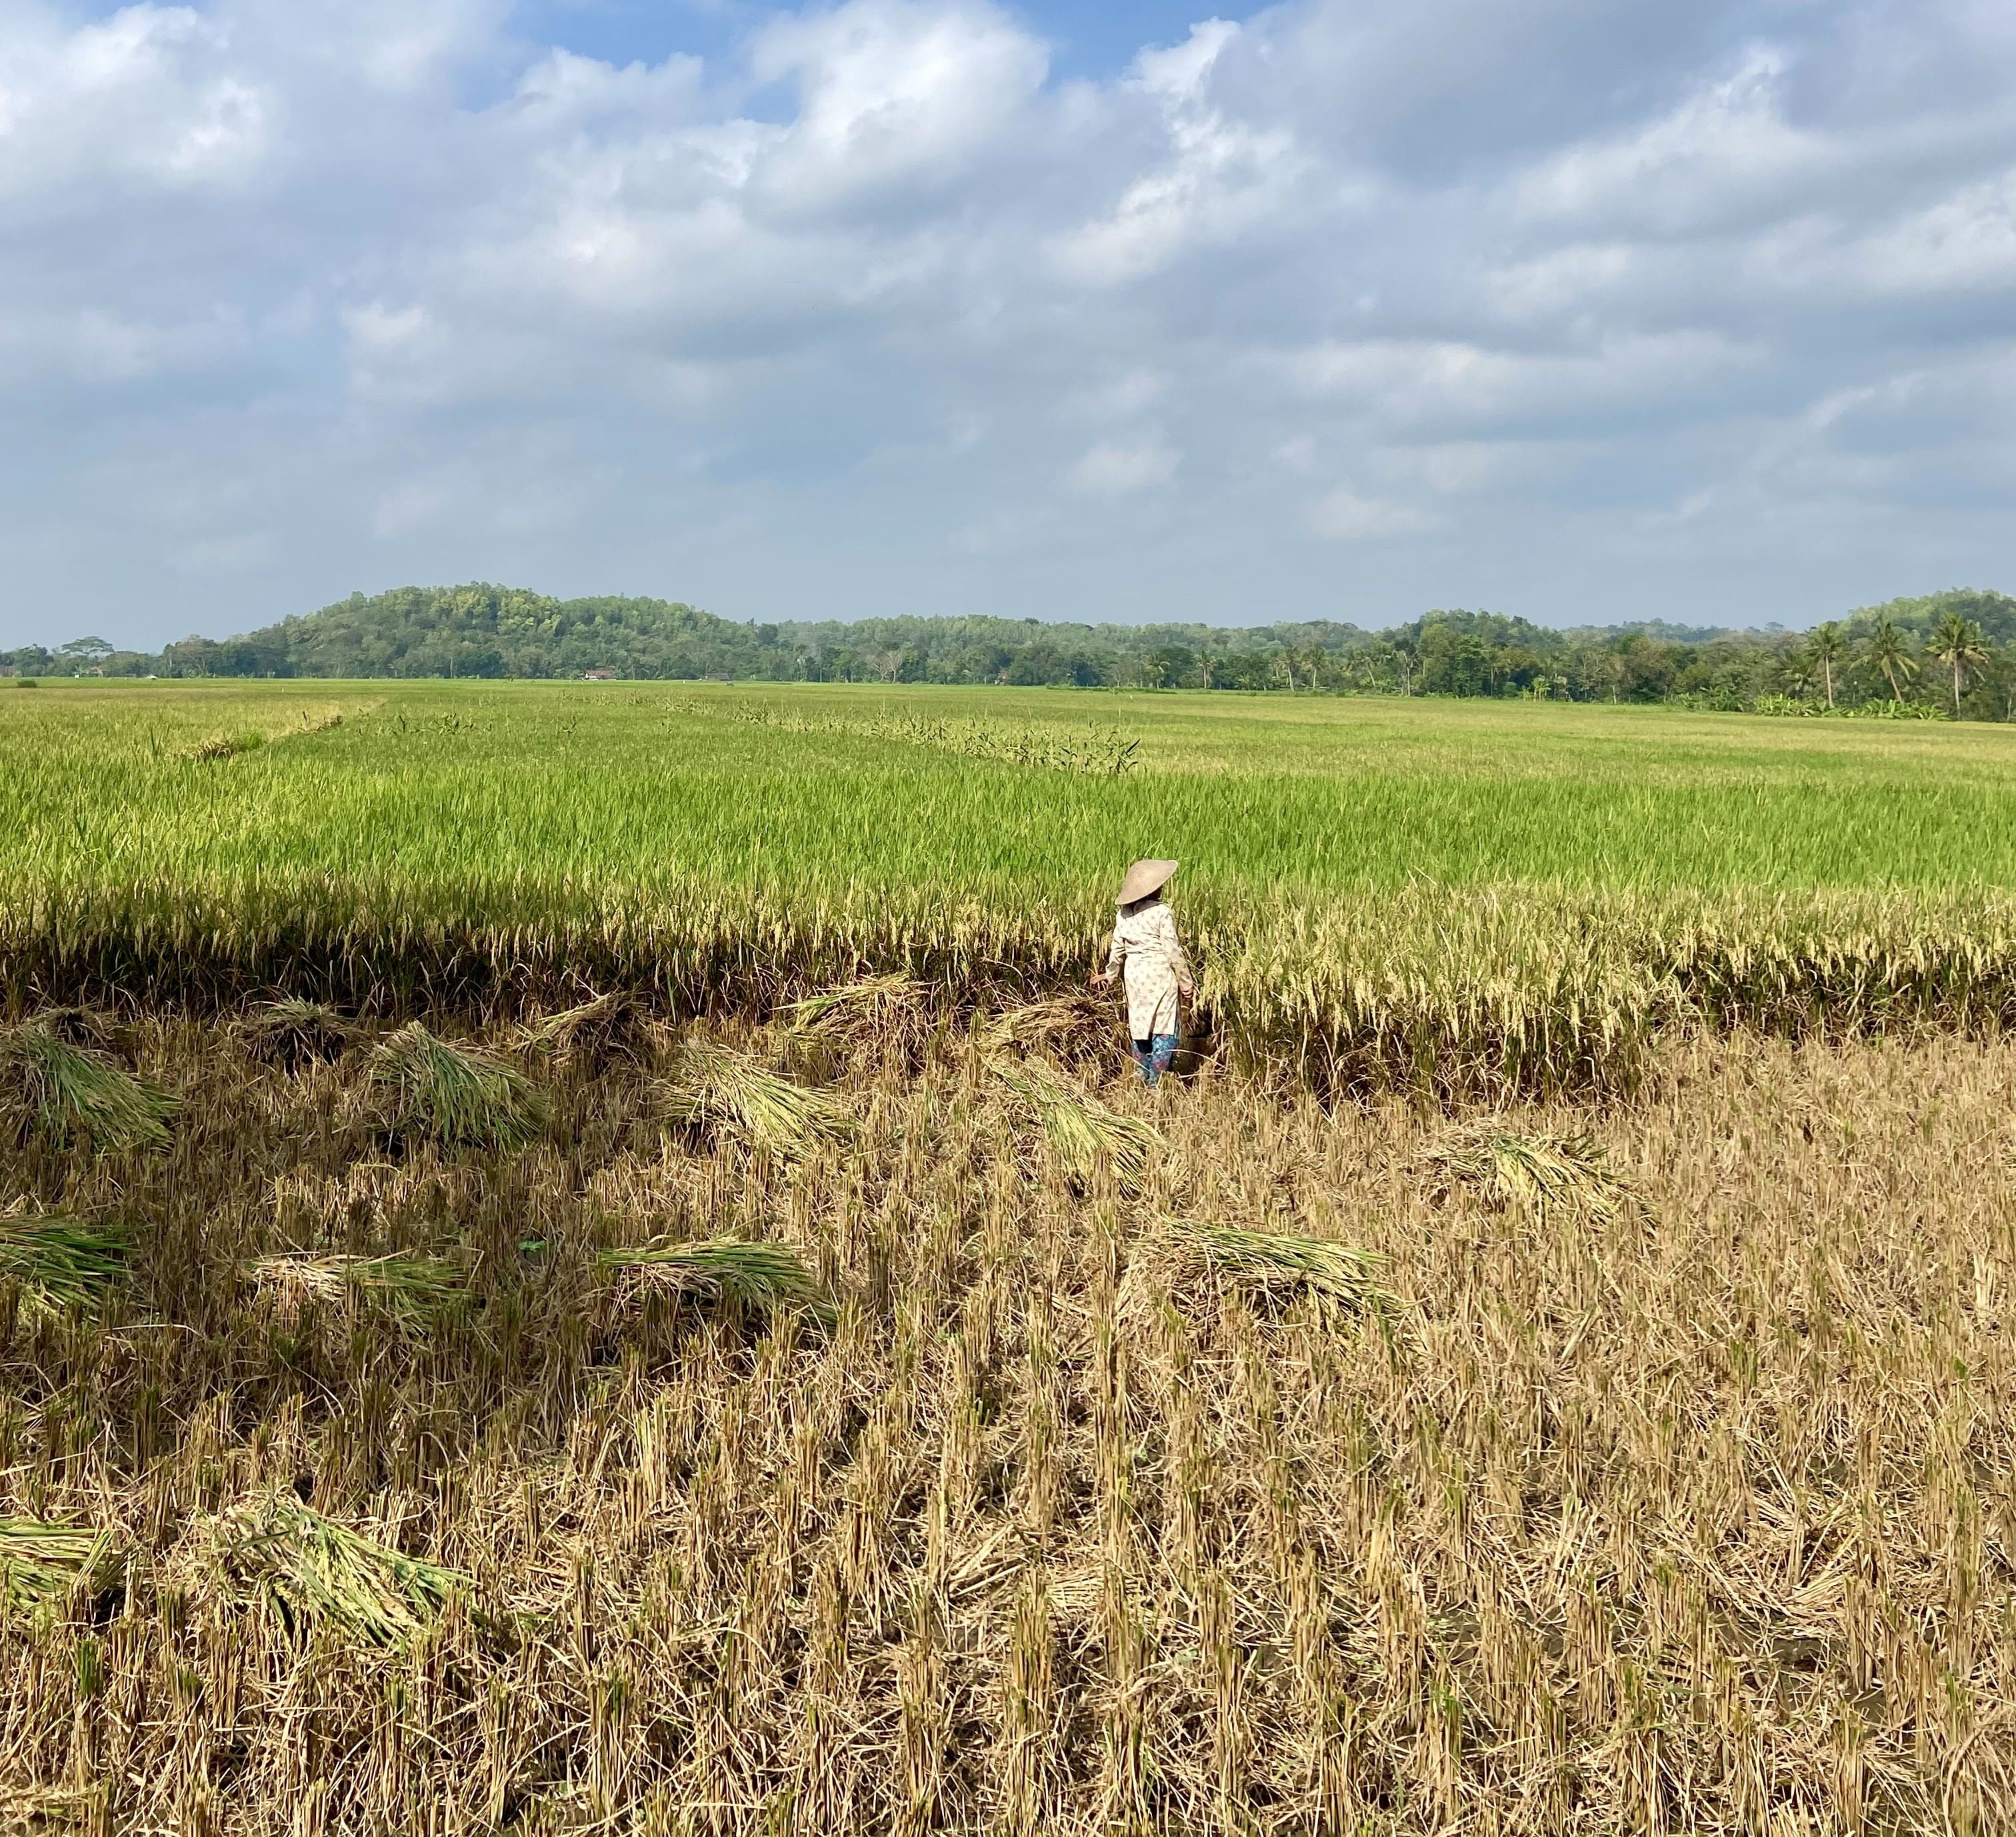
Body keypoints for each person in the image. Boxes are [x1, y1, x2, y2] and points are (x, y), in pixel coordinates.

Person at [1094, 857, 1194, 1085]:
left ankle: (1140, 1078)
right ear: (1155, 888)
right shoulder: (1161, 913)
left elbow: (1117, 949)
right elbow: (1173, 951)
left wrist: (1110, 975)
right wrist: (1186, 983)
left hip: (1135, 976)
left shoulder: (1124, 914)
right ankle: (1156, 1084)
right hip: (1159, 973)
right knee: (1164, 1027)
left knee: (1140, 1026)